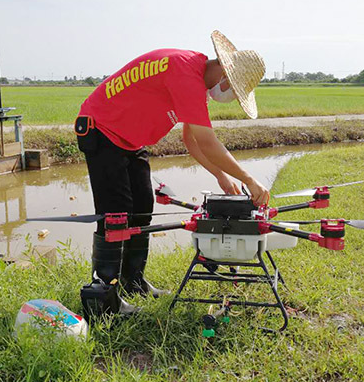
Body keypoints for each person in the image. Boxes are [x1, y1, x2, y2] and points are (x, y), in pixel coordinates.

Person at [75, 30, 270, 313]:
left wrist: (221, 175)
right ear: (226, 77)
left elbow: (190, 139)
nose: (228, 96)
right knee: (116, 214)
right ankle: (105, 299)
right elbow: (206, 140)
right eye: (234, 91)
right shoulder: (185, 73)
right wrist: (249, 180)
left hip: (129, 139)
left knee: (142, 206)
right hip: (102, 129)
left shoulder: (194, 78)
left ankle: (133, 280)